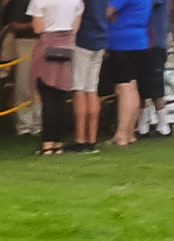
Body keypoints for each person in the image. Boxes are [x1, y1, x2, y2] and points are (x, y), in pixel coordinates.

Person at [31, 0, 84, 154]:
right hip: (67, 45)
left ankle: (48, 143)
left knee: (48, 96)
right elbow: (76, 25)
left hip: (47, 46)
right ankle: (58, 143)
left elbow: (38, 28)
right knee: (61, 96)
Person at [103, 0, 153, 146]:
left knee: (125, 87)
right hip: (140, 40)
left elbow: (107, 11)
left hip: (123, 43)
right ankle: (130, 133)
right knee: (133, 87)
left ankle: (121, 134)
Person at [0, 0, 42, 136]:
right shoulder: (17, 2)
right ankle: (25, 125)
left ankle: (38, 123)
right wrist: (35, 24)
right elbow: (12, 25)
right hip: (25, 43)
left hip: (43, 42)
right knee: (24, 84)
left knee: (40, 85)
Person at [68, 0, 106, 152]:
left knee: (79, 89)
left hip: (84, 39)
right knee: (92, 89)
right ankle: (92, 139)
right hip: (101, 38)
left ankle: (80, 139)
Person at [138, 0, 172, 136]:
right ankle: (143, 125)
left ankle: (164, 125)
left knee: (155, 84)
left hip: (156, 43)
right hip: (144, 41)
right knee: (142, 84)